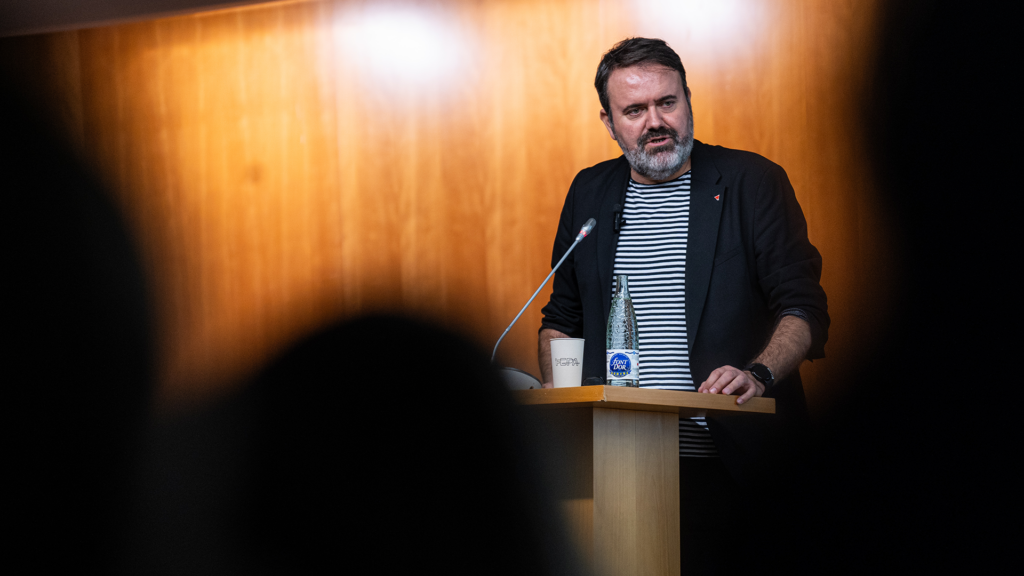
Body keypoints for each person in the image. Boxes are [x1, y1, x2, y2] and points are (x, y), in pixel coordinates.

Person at [537, 37, 829, 573]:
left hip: (739, 467)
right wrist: (560, 392)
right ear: (608, 121)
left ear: (688, 99)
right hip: (623, 469)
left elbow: (803, 306)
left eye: (667, 103)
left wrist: (759, 373)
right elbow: (562, 318)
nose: (654, 121)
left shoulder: (752, 182)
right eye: (634, 110)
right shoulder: (589, 192)